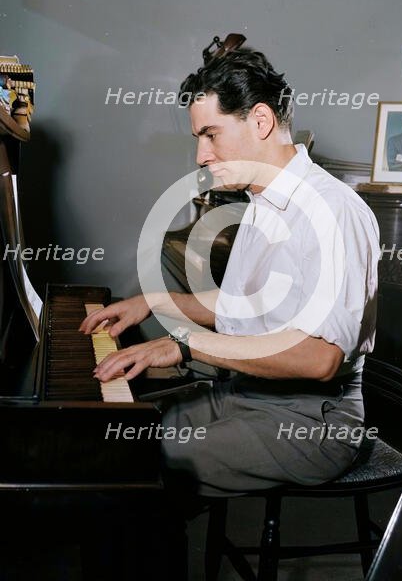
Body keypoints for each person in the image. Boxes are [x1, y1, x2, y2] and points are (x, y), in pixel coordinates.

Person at [80, 46, 380, 499]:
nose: (201, 155)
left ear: (260, 121)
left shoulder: (332, 210)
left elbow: (320, 359)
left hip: (314, 419)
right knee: (112, 435)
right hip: (247, 393)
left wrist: (185, 345)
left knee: (137, 468)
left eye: (210, 135)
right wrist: (153, 302)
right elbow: (238, 306)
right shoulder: (262, 202)